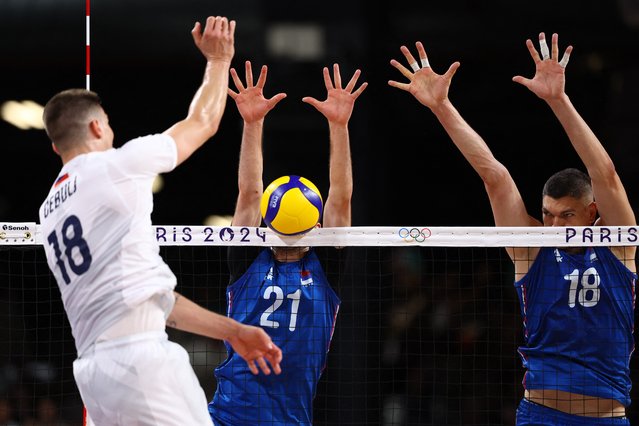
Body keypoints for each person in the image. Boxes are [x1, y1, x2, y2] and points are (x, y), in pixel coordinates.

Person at [38, 16, 282, 426]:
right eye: (110, 126)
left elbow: (155, 303)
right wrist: (219, 61)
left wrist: (233, 332)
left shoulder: (49, 211)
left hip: (95, 374)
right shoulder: (113, 167)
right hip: (141, 360)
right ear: (98, 126)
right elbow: (202, 124)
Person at [389, 33, 636, 424]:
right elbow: (494, 175)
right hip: (540, 415)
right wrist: (441, 107)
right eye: (548, 214)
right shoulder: (532, 250)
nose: (553, 225)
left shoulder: (618, 246)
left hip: (605, 418)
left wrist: (558, 100)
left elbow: (604, 174)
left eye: (566, 216)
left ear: (592, 213)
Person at [208, 61, 367, 425]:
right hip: (227, 414)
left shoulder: (328, 265)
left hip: (290, 417)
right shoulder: (247, 260)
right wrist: (252, 123)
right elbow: (248, 194)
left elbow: (340, 197)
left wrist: (339, 125)